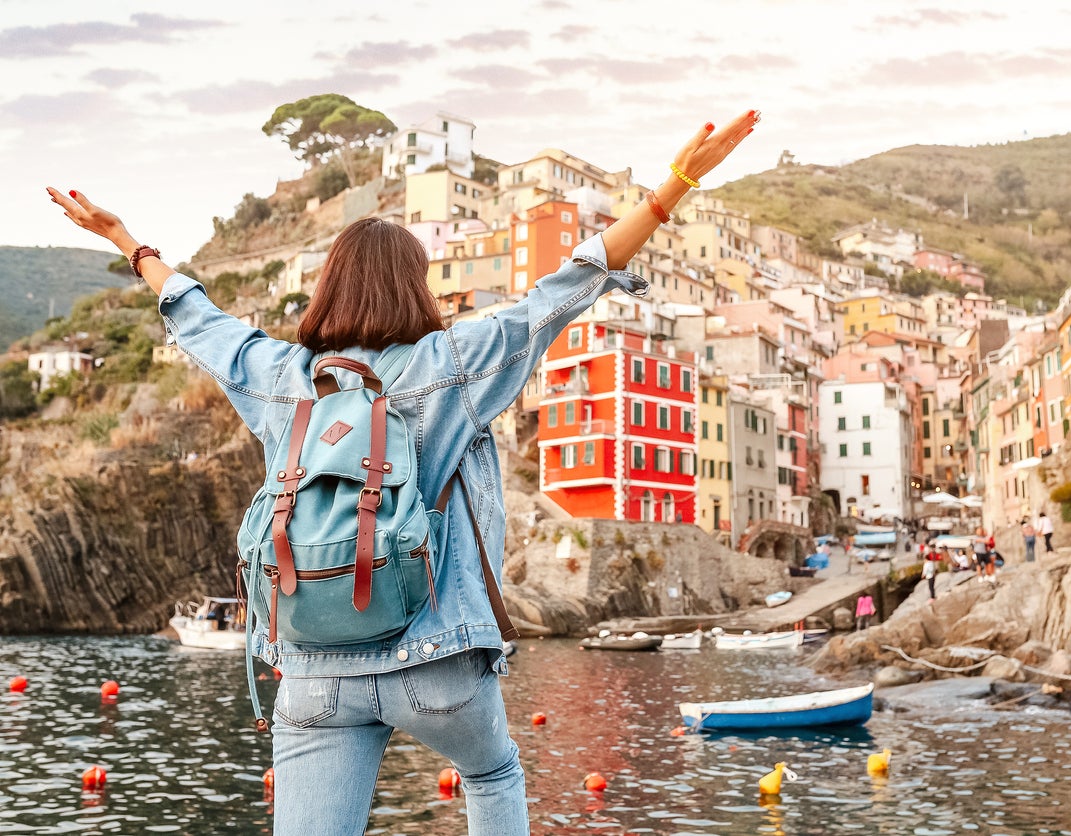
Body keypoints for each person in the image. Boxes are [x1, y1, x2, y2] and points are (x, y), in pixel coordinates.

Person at [48, 108, 761, 836]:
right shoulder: (453, 364)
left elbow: (200, 319)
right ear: (415, 288)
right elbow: (567, 285)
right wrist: (672, 188)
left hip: (315, 666)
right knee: (492, 772)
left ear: (329, 287)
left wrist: (125, 242)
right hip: (437, 660)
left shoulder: (282, 377)